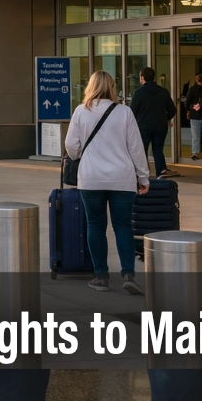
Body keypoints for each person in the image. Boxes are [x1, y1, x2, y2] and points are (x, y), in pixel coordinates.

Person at [64, 69, 150, 294]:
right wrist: (143, 176)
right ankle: (128, 274)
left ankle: (101, 276)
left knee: (95, 225)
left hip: (91, 178)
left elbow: (71, 146)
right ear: (112, 86)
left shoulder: (81, 111)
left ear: (90, 86)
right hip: (122, 178)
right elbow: (136, 148)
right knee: (123, 225)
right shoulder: (124, 112)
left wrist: (79, 155)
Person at [128, 67, 178, 178]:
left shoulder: (138, 93)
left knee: (142, 150)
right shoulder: (163, 92)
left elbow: (132, 111)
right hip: (160, 126)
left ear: (142, 77)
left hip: (143, 127)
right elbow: (172, 110)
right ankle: (161, 170)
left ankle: (143, 172)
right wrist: (166, 118)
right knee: (158, 149)